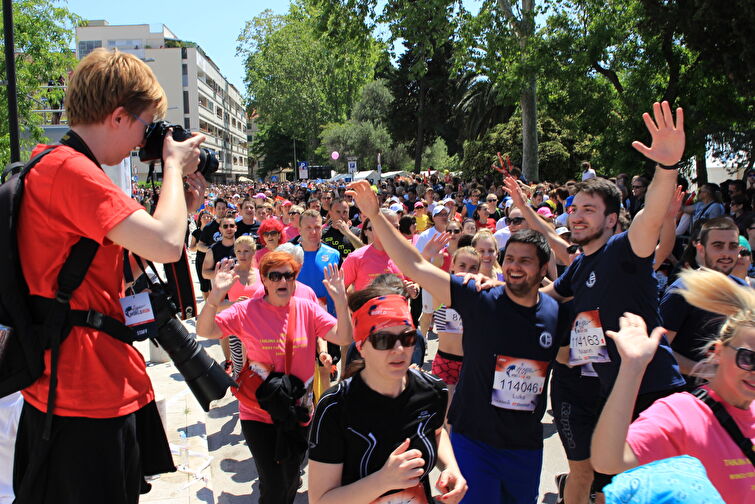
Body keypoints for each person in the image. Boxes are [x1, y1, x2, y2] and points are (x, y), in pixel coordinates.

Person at [13, 48, 207, 503]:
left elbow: (115, 273)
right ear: (118, 116)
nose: (146, 141)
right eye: (146, 125)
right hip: (82, 395)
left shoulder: (61, 166)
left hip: (86, 385)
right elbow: (164, 244)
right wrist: (174, 168)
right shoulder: (71, 172)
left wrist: (185, 209)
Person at [347, 180, 561, 504]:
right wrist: (376, 216)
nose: (516, 266)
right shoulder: (481, 298)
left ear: (543, 268)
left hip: (525, 447)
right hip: (475, 442)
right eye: (512, 258)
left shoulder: (554, 312)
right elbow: (415, 266)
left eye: (526, 260)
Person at [196, 252, 353, 504]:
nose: (282, 280)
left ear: (294, 280)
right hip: (257, 412)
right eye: (275, 275)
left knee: (291, 478)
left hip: (298, 413)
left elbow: (344, 337)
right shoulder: (246, 310)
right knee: (273, 483)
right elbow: (204, 330)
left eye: (288, 275)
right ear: (265, 280)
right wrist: (215, 296)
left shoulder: (308, 309)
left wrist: (341, 300)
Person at [591, 268, 755, 502]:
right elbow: (608, 461)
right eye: (749, 358)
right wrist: (632, 369)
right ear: (718, 352)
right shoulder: (681, 413)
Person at [307, 286, 467, 504]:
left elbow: (436, 432)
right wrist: (383, 481)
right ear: (361, 346)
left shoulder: (433, 391)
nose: (399, 349)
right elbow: (320, 500)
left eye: (407, 337)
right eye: (384, 340)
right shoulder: (335, 406)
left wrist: (450, 468)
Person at [661, 218, 745, 386]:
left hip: (731, 396)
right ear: (700, 249)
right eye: (718, 246)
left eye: (733, 246)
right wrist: (704, 371)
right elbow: (659, 350)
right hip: (689, 397)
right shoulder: (682, 291)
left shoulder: (743, 290)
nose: (726, 254)